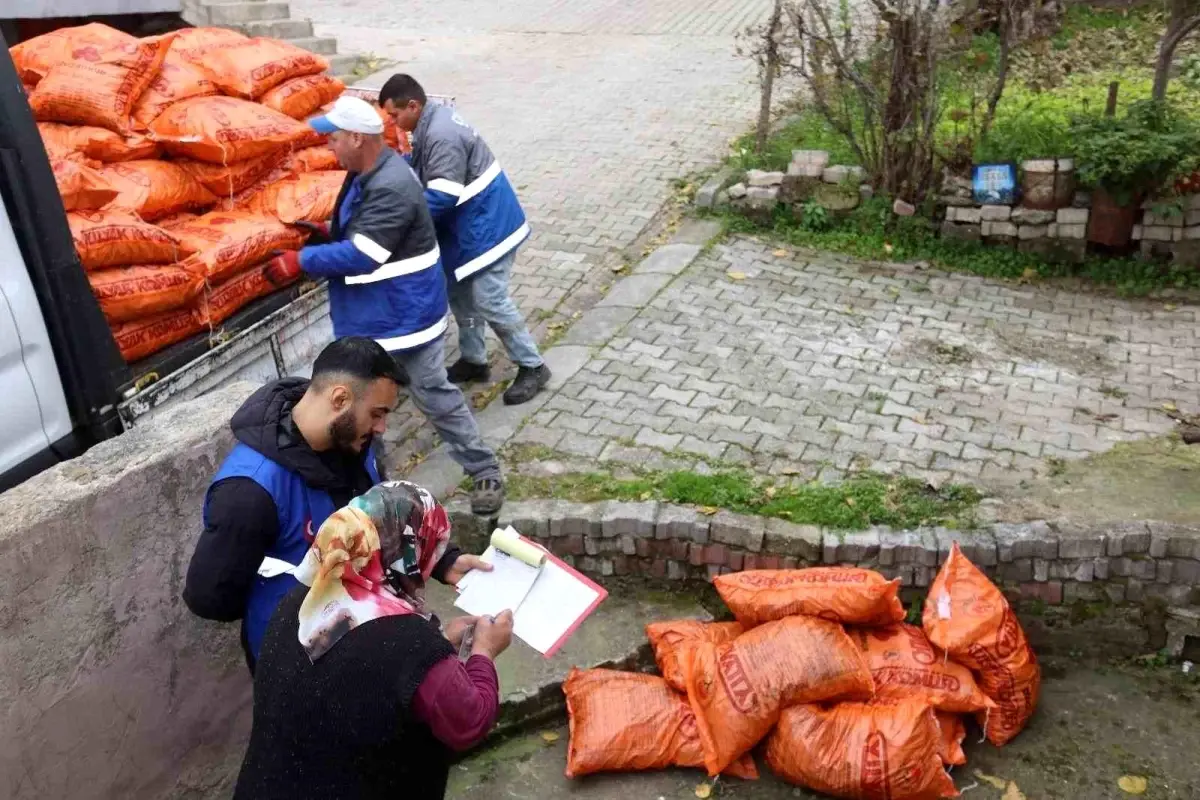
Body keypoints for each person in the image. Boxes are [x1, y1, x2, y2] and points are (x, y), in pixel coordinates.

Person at [183, 337, 492, 672]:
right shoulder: (250, 492)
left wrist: (442, 561)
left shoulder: (353, 442)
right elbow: (210, 597)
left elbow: (383, 517)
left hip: (368, 642)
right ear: (340, 398)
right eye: (377, 414)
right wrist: (286, 599)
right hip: (302, 671)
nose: (382, 427)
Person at [263, 94, 505, 517]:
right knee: (364, 409)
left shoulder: (390, 183)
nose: (329, 146)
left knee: (433, 394)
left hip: (404, 318)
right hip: (379, 315)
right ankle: (376, 490)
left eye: (334, 138)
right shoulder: (366, 170)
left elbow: (366, 253)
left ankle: (483, 469)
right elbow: (365, 225)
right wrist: (328, 228)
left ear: (357, 137)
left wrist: (300, 261)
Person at [233, 481, 513, 799]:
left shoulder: (300, 601)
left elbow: (359, 669)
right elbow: (470, 720)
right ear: (413, 551)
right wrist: (483, 652)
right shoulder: (411, 644)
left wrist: (441, 647)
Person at [379, 74, 551, 406]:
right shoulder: (430, 123)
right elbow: (421, 167)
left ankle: (532, 365)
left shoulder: (441, 134)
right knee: (459, 293)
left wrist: (401, 223)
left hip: (490, 227)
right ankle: (474, 359)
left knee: (490, 299)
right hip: (473, 226)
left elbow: (442, 195)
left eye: (395, 115)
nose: (392, 122)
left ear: (413, 105)